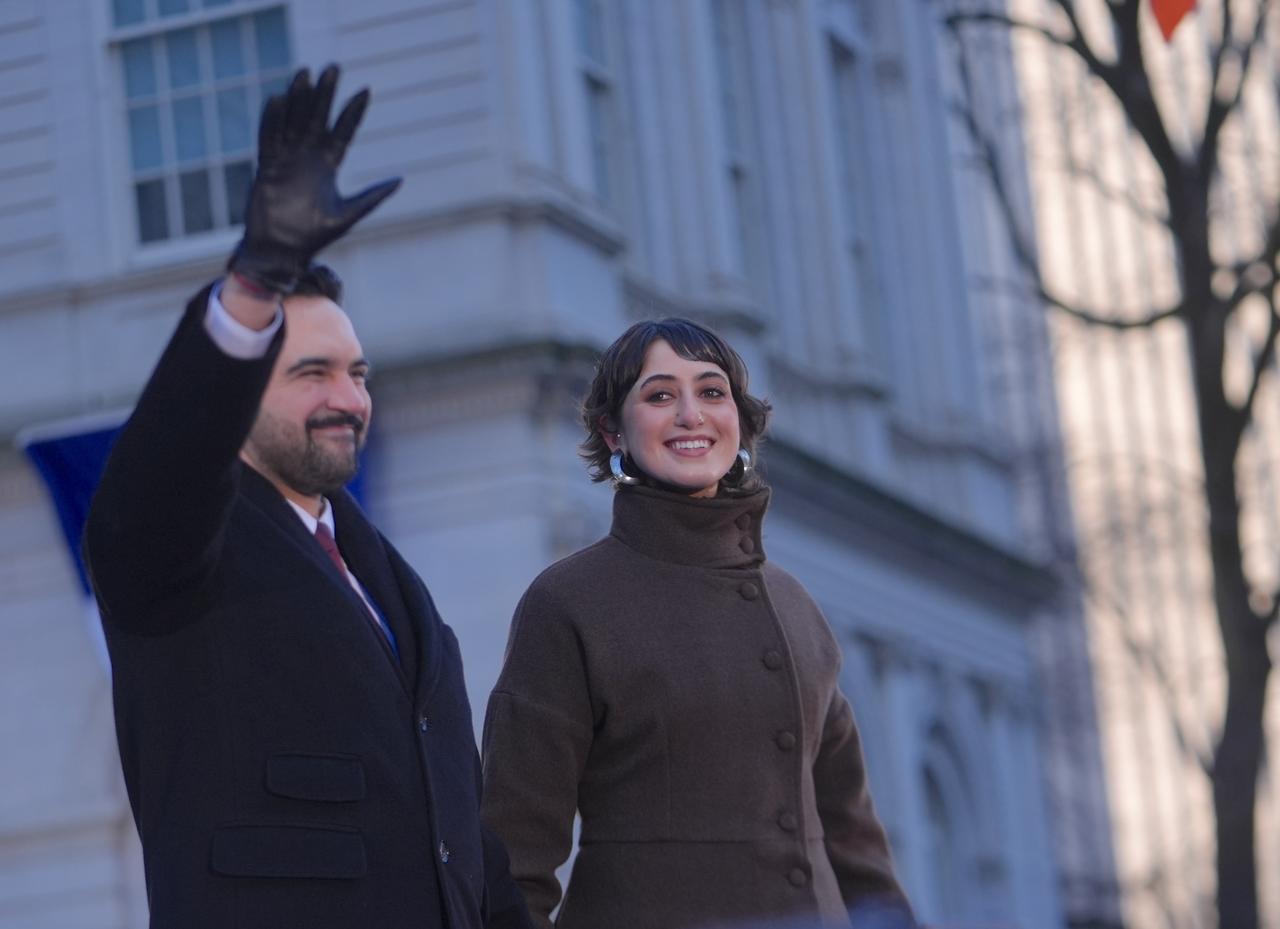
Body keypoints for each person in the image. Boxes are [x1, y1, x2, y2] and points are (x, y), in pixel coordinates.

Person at [85, 64, 529, 929]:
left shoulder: (384, 574)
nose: (348, 398)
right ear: (238, 390)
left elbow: (460, 833)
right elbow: (161, 477)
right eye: (311, 372)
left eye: (358, 373)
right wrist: (254, 283)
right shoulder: (181, 545)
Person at [480, 319, 913, 928]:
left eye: (712, 392)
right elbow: (513, 858)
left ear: (740, 421)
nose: (691, 415)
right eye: (660, 395)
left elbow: (854, 837)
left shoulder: (794, 603)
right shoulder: (567, 602)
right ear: (613, 431)